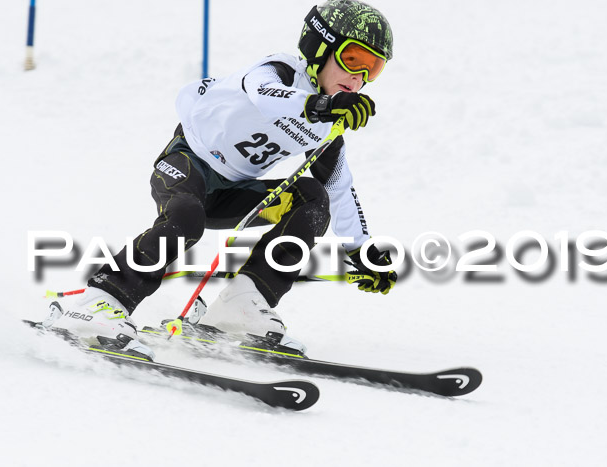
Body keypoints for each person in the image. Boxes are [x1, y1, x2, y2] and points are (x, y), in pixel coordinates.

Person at [62, 0, 397, 358]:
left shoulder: (327, 125)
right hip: (187, 165)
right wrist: (318, 106)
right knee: (186, 217)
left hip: (233, 195)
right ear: (319, 47)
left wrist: (360, 250)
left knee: (313, 198)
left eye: (372, 69)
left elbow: (339, 187)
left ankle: (243, 302)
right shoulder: (280, 72)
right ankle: (101, 299)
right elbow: (263, 93)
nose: (358, 77)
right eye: (354, 60)